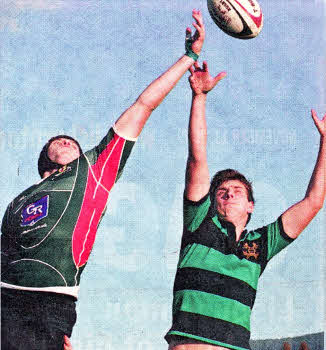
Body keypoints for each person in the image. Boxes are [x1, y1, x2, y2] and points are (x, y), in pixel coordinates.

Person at [0, 10, 205, 350]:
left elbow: (143, 105)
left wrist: (189, 57)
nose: (65, 141)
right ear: (43, 158)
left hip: (51, 301)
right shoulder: (17, 201)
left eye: (73, 142)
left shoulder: (92, 169)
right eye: (58, 140)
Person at [165, 61, 326, 350]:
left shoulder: (261, 243)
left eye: (237, 191)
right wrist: (199, 97)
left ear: (250, 205)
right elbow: (197, 158)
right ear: (212, 201)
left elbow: (313, 202)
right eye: (221, 191)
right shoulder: (198, 223)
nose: (228, 194)